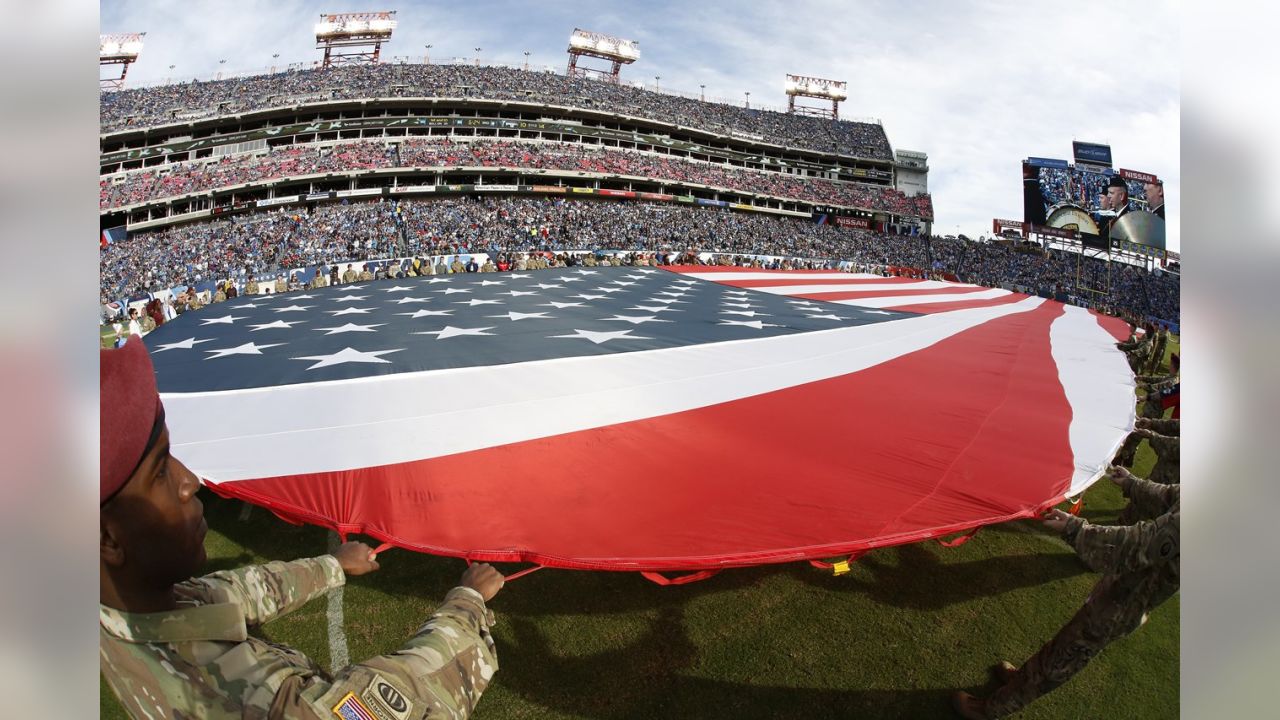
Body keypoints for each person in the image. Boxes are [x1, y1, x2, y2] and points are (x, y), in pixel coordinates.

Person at [100, 337, 506, 720]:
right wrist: (467, 604)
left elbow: (233, 593)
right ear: (106, 539)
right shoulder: (241, 698)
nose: (189, 481)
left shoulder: (131, 614)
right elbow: (403, 697)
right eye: (159, 471)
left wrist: (333, 565)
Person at [952, 466, 1179, 718]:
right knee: (1064, 643)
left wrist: (1075, 529)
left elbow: (1138, 544)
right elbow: (1172, 496)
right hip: (1122, 587)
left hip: (1127, 603)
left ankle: (991, 709)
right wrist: (1132, 483)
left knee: (1067, 655)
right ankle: (1023, 679)